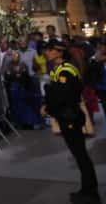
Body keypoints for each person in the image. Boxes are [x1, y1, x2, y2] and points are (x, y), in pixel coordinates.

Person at [42, 40, 99, 203]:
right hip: (68, 115)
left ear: (59, 52)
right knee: (79, 154)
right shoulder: (59, 69)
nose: (47, 53)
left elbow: (62, 95)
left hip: (70, 117)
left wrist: (47, 106)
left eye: (51, 50)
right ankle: (87, 188)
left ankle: (90, 192)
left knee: (80, 155)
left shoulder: (65, 71)